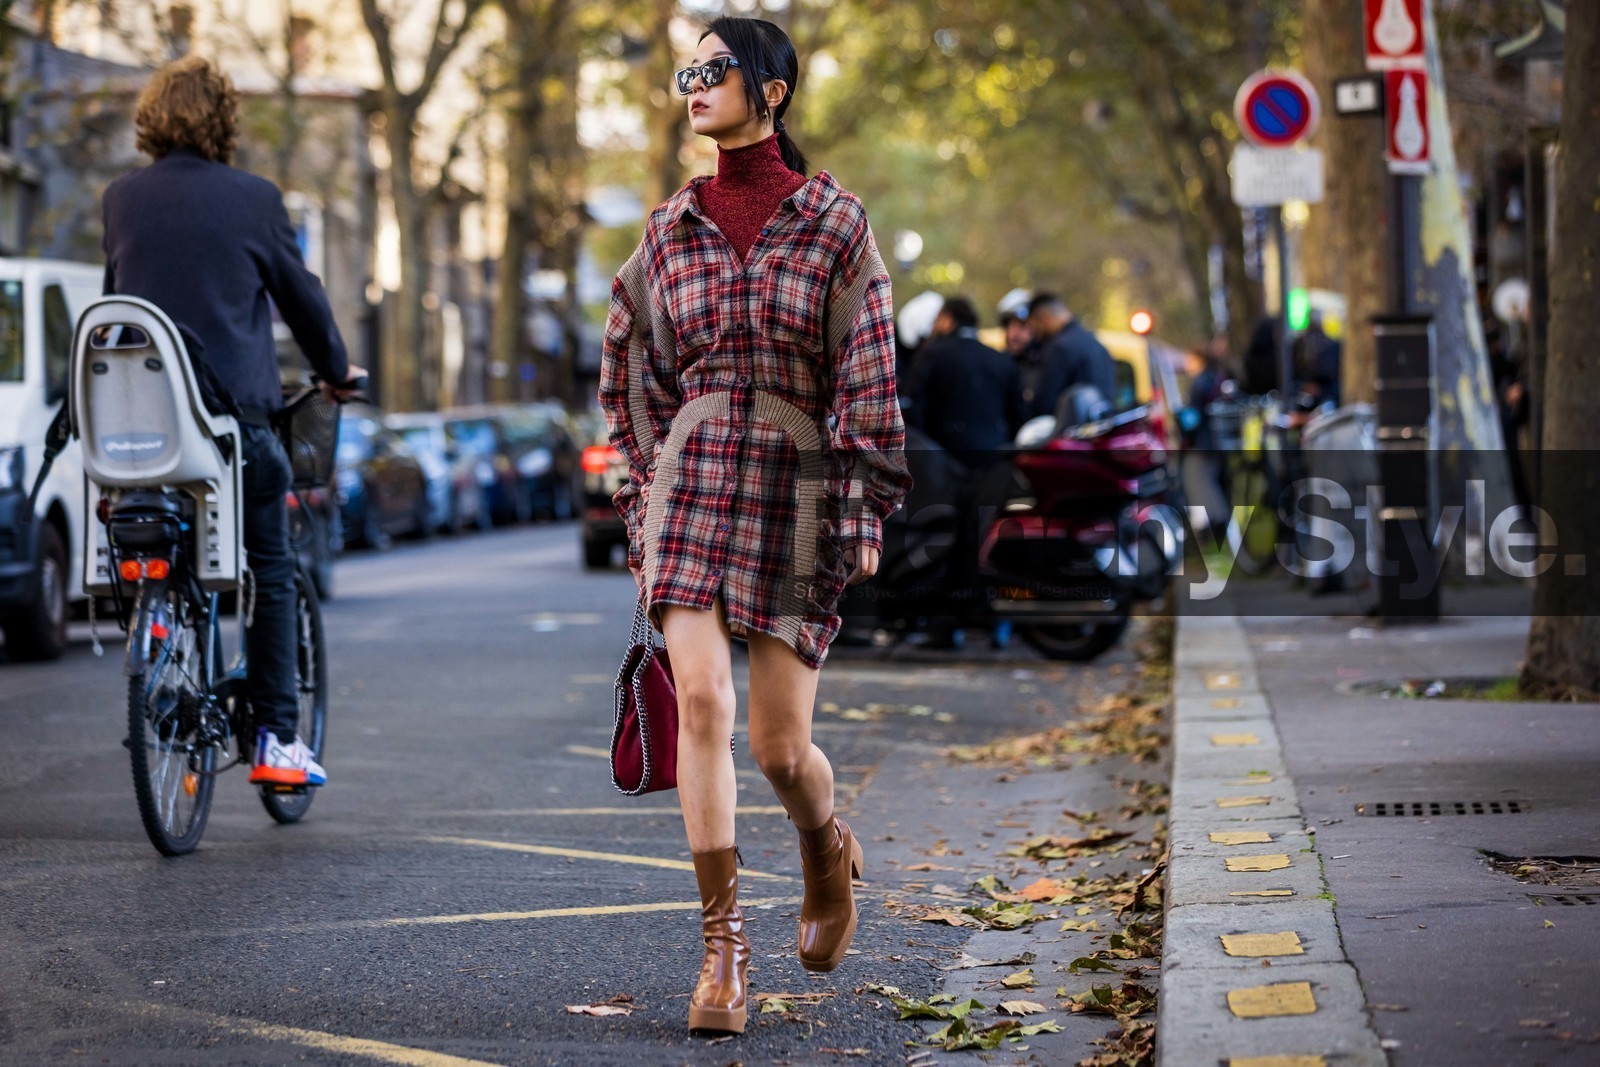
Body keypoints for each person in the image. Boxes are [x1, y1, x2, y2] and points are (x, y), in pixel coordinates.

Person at [598, 17, 911, 1036]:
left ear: (771, 91)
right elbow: (628, 370)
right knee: (700, 699)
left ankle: (825, 847)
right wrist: (643, 495)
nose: (693, 84)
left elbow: (868, 373)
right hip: (690, 478)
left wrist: (860, 506)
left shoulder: (836, 224)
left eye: (715, 69)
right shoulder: (666, 230)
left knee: (780, 746)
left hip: (796, 480)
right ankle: (722, 946)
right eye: (686, 70)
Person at [101, 56, 362, 787]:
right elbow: (302, 300)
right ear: (224, 121)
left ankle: (158, 625)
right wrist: (336, 371)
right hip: (230, 433)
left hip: (138, 436)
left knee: (157, 532)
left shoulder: (119, 199)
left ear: (151, 118)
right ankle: (277, 739)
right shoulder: (254, 199)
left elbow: (114, 308)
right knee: (271, 563)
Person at [905, 296, 1024, 465]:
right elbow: (1018, 414)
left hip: (944, 462)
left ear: (947, 319)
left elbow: (913, 406)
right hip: (994, 460)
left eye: (936, 320)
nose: (934, 327)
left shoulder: (932, 355)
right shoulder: (1002, 360)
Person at [1025, 292, 1118, 420]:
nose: (1036, 335)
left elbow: (1043, 405)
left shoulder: (1059, 348)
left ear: (1044, 319)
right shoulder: (1095, 344)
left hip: (1071, 428)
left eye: (1035, 328)